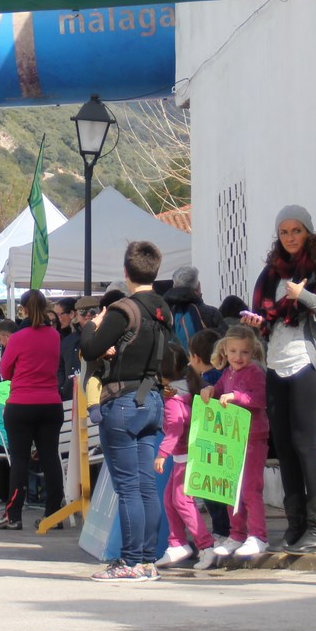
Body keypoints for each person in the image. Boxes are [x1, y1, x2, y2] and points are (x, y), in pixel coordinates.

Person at [251, 205, 316, 553]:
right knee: (284, 446)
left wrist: (301, 295)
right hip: (276, 363)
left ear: (308, 233)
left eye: (297, 231)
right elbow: (265, 315)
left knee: (305, 443)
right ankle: (296, 525)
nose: (290, 237)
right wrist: (256, 322)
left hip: (309, 361)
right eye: (284, 232)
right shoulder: (270, 274)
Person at [81, 240, 174, 582]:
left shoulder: (123, 310)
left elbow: (90, 348)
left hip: (122, 400)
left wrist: (93, 324)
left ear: (126, 271)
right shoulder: (164, 309)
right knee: (147, 485)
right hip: (152, 399)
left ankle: (132, 560)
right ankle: (147, 560)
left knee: (128, 487)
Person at [0, 289, 65, 531]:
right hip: (50, 403)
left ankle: (13, 515)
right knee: (50, 458)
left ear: (23, 310)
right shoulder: (54, 336)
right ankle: (53, 514)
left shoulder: (17, 338)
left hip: (22, 404)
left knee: (20, 461)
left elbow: (5, 371)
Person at [203, 325, 269, 558]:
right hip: (231, 438)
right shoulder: (227, 373)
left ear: (253, 352)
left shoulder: (255, 372)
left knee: (250, 489)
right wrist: (210, 390)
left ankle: (258, 536)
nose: (238, 357)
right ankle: (237, 534)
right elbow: (219, 388)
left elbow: (260, 399)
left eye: (244, 352)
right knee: (231, 489)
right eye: (233, 351)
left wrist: (236, 397)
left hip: (253, 437)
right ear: (224, 350)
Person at [155, 347, 218, 570]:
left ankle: (206, 546)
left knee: (182, 501)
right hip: (189, 453)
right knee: (170, 499)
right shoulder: (191, 386)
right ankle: (177, 543)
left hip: (185, 456)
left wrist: (162, 454)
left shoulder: (174, 398)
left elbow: (175, 426)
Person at [185, 328, 231, 546]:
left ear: (195, 358)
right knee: (225, 490)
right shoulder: (225, 375)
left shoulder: (205, 380)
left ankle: (222, 531)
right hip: (227, 441)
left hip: (210, 442)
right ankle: (230, 530)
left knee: (212, 491)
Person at [164, 266, 222, 350]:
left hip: (174, 357)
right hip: (202, 357)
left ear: (174, 287)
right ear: (198, 287)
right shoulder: (211, 312)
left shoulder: (163, 311)